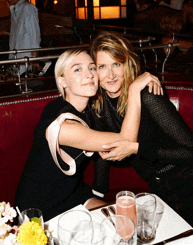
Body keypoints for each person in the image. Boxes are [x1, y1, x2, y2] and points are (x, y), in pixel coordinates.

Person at [89, 31, 193, 243]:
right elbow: (103, 151)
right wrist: (98, 195)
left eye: (117, 64)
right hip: (162, 192)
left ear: (128, 65)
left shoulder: (147, 95)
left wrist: (137, 148)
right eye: (102, 67)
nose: (110, 75)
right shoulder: (99, 104)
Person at [14, 48, 161, 222]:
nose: (89, 74)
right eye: (77, 69)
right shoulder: (64, 127)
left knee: (124, 224)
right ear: (62, 80)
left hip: (73, 193)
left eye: (92, 68)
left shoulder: (79, 108)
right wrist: (135, 90)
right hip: (40, 207)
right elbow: (126, 141)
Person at [6, 0, 41, 75]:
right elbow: (17, 35)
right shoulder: (14, 9)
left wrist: (35, 60)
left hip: (26, 63)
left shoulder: (27, 7)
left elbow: (34, 34)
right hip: (16, 62)